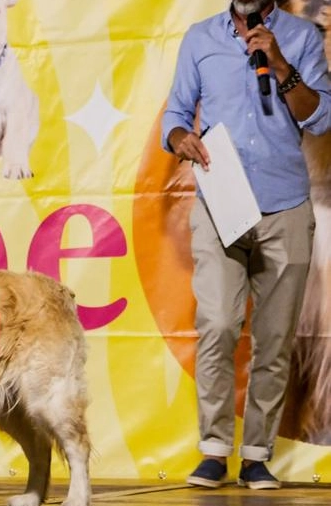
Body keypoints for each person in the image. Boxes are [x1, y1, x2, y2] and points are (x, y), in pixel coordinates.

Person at [162, 0, 331, 490]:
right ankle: (214, 449)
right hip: (222, 200)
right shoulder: (200, 38)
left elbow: (319, 117)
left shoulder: (299, 35)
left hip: (285, 203)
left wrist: (280, 65)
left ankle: (257, 454)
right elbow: (175, 111)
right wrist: (179, 137)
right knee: (216, 324)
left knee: (275, 339)